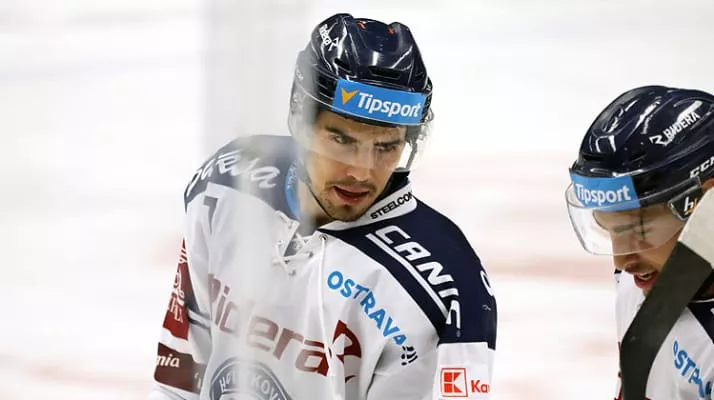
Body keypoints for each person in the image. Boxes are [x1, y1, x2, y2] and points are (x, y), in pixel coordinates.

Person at [149, 13, 496, 400]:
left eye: (386, 147)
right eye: (342, 140)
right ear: (302, 121)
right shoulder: (227, 184)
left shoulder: (444, 287)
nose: (361, 171)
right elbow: (178, 380)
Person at [565, 85, 714, 399]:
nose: (622, 261)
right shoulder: (642, 280)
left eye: (641, 230)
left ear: (705, 203)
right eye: (611, 230)